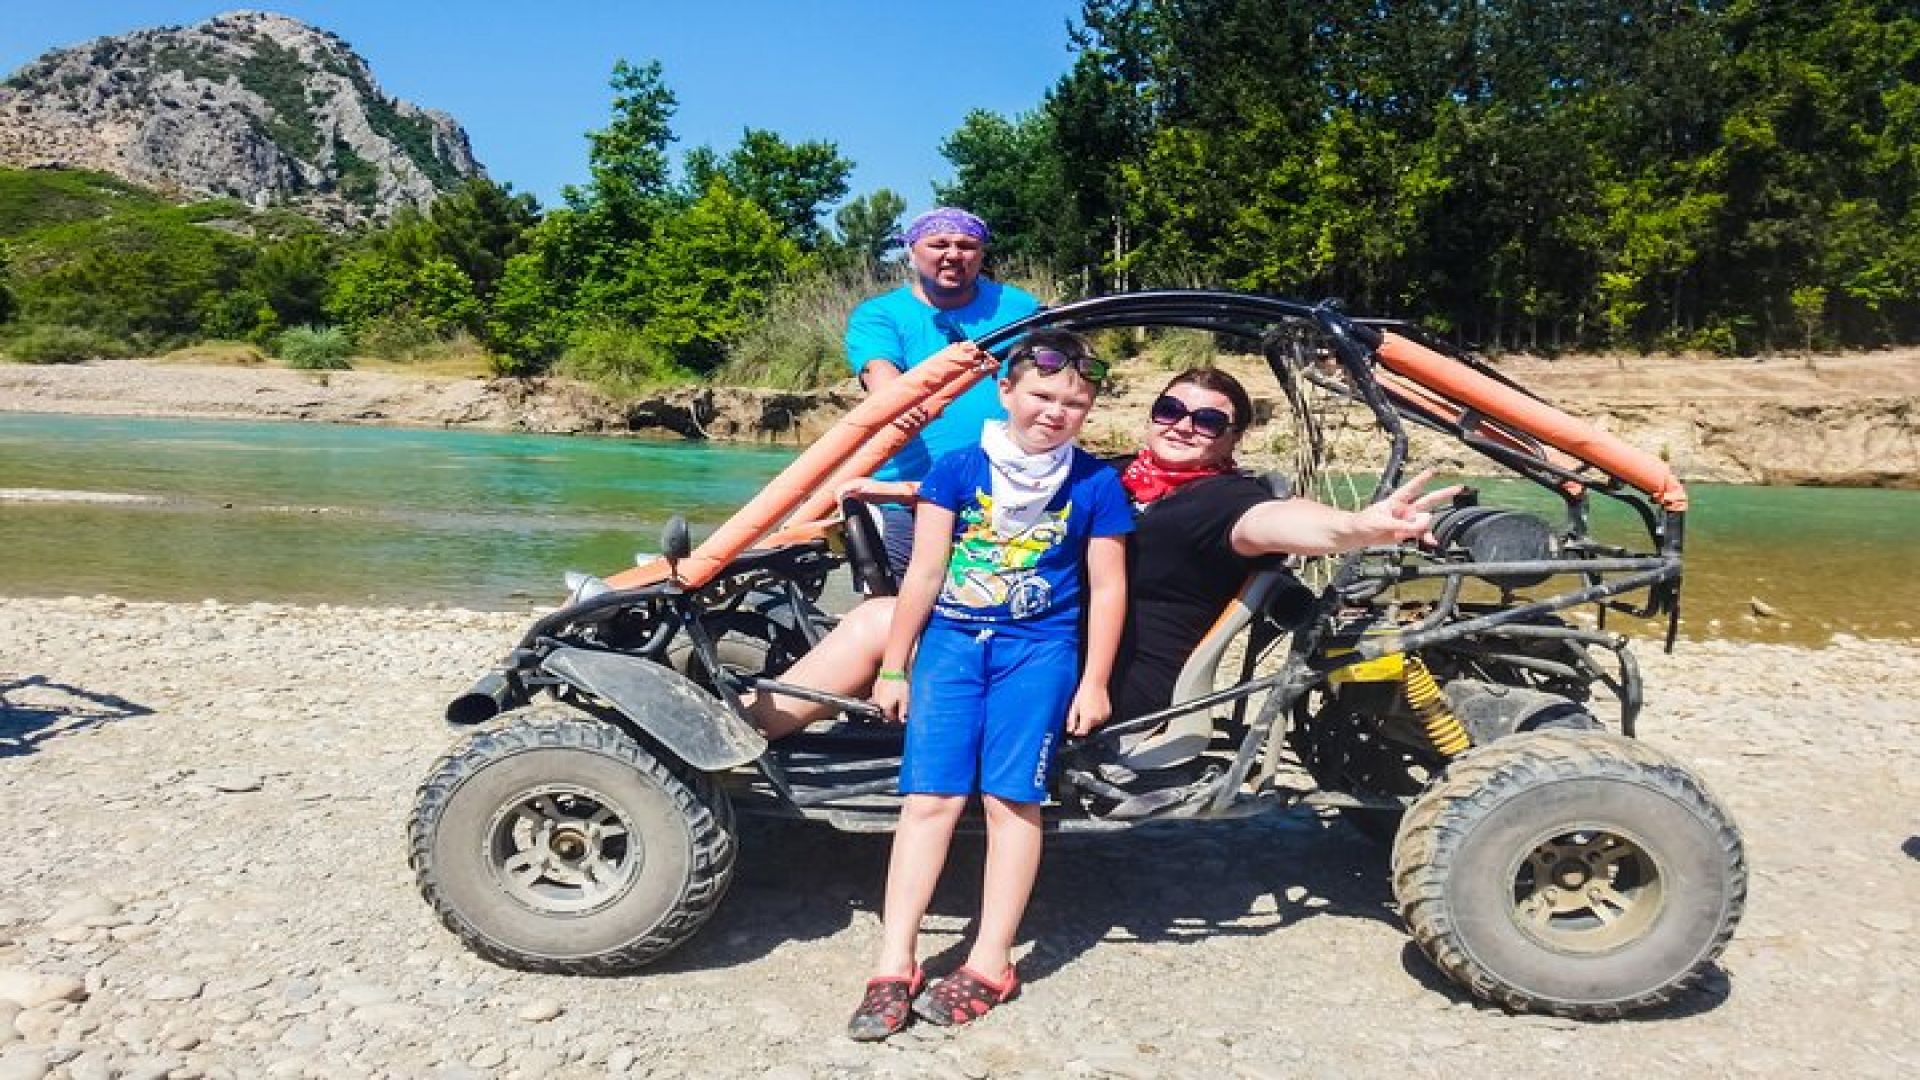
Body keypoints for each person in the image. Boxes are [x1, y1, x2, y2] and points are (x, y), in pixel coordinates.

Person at [743, 365, 1458, 741]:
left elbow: (1292, 521)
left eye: (1208, 420)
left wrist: (1359, 527)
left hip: (1110, 680)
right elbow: (1014, 489)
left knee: (878, 621)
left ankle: (746, 734)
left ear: (1232, 437)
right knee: (897, 612)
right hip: (1046, 641)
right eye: (1170, 410)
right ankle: (806, 711)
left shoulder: (1228, 505)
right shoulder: (1114, 477)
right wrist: (900, 493)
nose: (1184, 426)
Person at [844, 331, 1132, 1041]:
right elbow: (925, 571)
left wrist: (1094, 682)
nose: (1056, 412)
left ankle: (991, 959)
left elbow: (1107, 587)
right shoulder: (956, 467)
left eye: (1074, 402)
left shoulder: (1097, 484)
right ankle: (894, 962)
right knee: (930, 799)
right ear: (1005, 392)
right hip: (950, 646)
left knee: (1013, 802)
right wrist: (893, 662)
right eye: (1041, 395)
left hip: (1040, 653)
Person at [845, 207, 1042, 575]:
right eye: (939, 244)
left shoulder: (1020, 307)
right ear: (912, 250)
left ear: (981, 254)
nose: (953, 254)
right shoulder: (879, 314)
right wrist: (897, 401)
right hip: (905, 497)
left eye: (967, 246)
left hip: (1006, 492)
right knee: (900, 613)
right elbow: (878, 370)